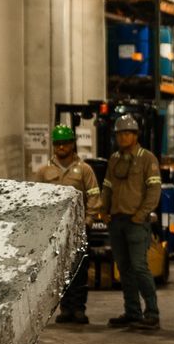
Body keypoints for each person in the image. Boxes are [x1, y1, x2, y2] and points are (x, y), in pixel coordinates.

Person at [36, 124, 100, 324]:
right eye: (58, 144)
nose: (61, 147)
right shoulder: (45, 171)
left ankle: (79, 309)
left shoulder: (84, 170)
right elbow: (38, 199)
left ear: (72, 144)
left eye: (65, 143)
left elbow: (94, 196)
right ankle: (65, 309)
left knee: (79, 270)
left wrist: (88, 221)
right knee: (60, 271)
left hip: (78, 228)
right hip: (56, 231)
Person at [103, 113, 163, 331]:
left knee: (139, 267)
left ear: (136, 135)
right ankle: (132, 312)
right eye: (119, 134)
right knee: (124, 269)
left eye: (127, 133)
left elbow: (154, 189)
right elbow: (108, 187)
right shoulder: (114, 159)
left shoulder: (147, 159)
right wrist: (104, 209)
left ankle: (152, 313)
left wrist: (142, 213)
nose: (122, 137)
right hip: (117, 221)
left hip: (136, 222)